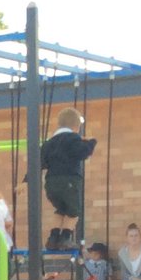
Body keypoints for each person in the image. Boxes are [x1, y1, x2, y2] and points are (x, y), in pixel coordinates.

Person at [41, 107, 97, 250]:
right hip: (69, 180)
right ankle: (65, 238)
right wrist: (90, 143)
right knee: (74, 211)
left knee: (60, 209)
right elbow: (82, 153)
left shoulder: (49, 142)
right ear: (76, 126)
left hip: (51, 183)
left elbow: (41, 161)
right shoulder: (73, 138)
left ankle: (53, 238)